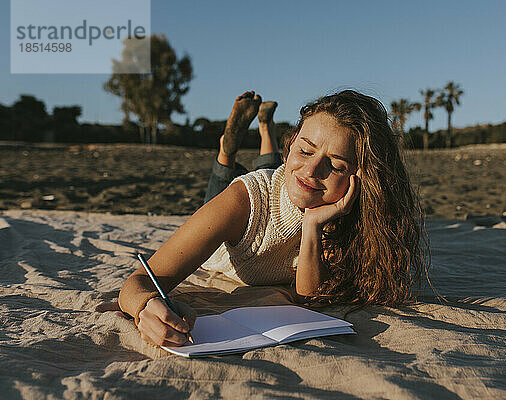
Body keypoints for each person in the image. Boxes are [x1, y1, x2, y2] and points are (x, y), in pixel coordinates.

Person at [118, 89, 429, 347]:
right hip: (233, 232)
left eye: (335, 165)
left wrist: (311, 226)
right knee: (219, 192)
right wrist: (145, 307)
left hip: (289, 194)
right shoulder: (244, 200)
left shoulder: (347, 216)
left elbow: (310, 296)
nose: (311, 171)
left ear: (362, 179)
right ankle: (226, 152)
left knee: (287, 178)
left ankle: (260, 132)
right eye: (305, 151)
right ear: (291, 144)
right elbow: (139, 281)